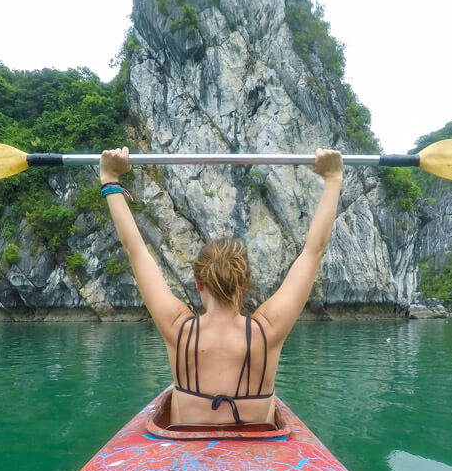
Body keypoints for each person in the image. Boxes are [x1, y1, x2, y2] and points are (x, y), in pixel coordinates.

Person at [99, 146, 343, 425]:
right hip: (255, 460)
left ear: (198, 283)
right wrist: (333, 176)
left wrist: (110, 179)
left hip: (189, 458)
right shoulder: (268, 331)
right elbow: (313, 251)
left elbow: (136, 250)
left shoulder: (178, 329)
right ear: (246, 283)